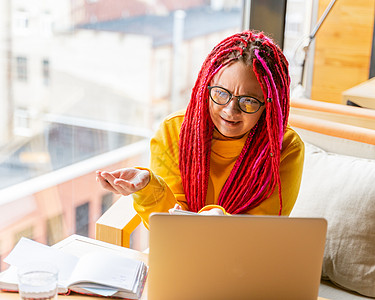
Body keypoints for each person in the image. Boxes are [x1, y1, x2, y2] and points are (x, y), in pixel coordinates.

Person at [96, 30, 304, 228]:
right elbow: (170, 225)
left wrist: (222, 222)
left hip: (245, 259)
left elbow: (263, 231)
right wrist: (148, 187)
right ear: (207, 85)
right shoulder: (173, 131)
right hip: (181, 250)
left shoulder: (285, 148)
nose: (231, 110)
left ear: (268, 105)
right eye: (221, 93)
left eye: (248, 101)